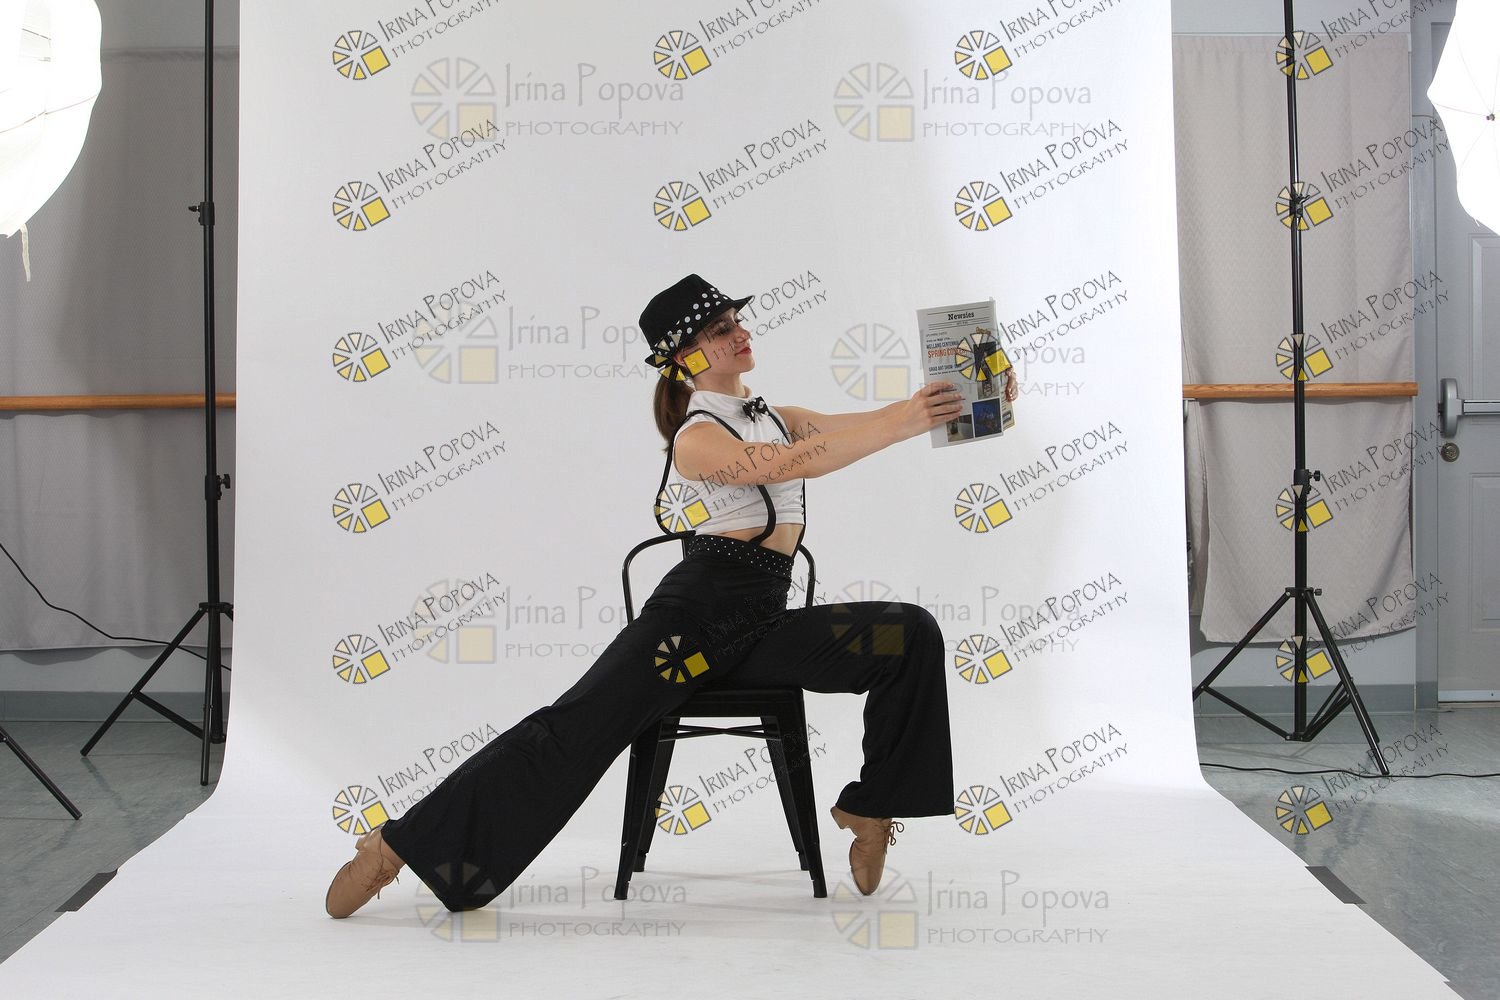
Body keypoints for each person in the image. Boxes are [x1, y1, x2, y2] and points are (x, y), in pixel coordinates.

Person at [325, 274, 1018, 919]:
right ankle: (397, 846)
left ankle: (871, 808)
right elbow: (788, 464)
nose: (738, 333)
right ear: (685, 358)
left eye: (736, 321)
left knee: (908, 635)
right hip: (689, 628)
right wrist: (904, 422)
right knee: (572, 731)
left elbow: (876, 420)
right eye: (719, 330)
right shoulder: (697, 437)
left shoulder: (780, 416)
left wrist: (968, 394)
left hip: (759, 623)